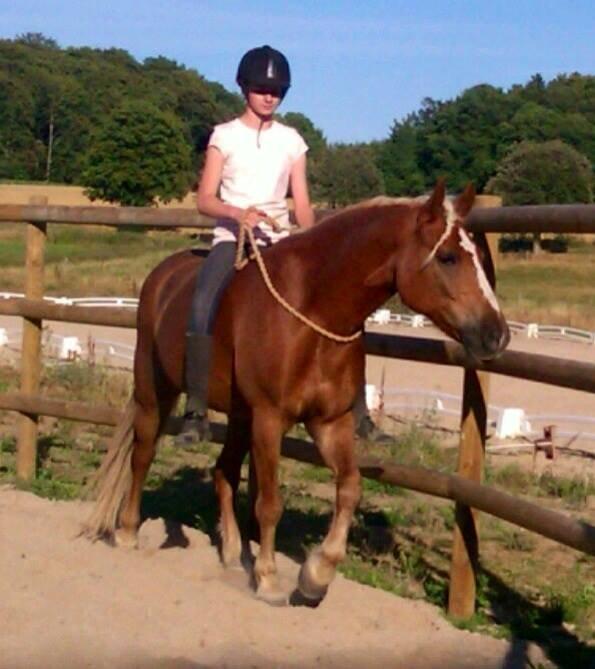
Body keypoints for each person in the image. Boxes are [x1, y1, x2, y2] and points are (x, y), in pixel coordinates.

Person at [177, 44, 389, 445]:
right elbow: (205, 199)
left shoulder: (293, 141)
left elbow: (302, 204)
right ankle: (196, 408)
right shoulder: (224, 136)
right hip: (235, 238)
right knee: (204, 299)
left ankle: (358, 413)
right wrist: (238, 214)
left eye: (276, 90)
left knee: (342, 308)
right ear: (245, 88)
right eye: (261, 88)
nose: (269, 95)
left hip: (280, 241)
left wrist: (313, 243)